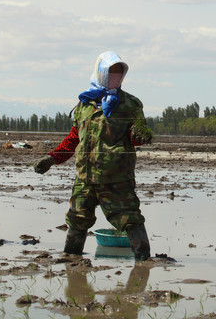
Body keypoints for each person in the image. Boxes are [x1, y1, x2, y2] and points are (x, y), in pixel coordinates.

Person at [34, 51, 153, 260]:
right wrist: (52, 159)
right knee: (77, 219)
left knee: (130, 219)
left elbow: (136, 139)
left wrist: (140, 136)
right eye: (111, 72)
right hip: (85, 178)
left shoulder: (131, 105)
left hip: (116, 178)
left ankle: (143, 262)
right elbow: (73, 139)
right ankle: (72, 262)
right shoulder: (84, 105)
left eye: (119, 73)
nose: (115, 77)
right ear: (100, 73)